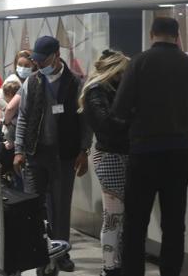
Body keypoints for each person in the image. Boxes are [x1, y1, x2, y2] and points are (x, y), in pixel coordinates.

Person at [112, 17, 188, 276]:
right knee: (174, 225)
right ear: (177, 35)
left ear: (152, 34)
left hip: (144, 153)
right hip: (179, 153)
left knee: (135, 223)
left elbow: (119, 109)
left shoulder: (139, 62)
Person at [13, 36, 91, 272]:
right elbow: (23, 117)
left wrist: (84, 150)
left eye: (42, 60)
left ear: (56, 56)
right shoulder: (33, 82)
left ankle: (62, 252)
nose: (37, 65)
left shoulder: (75, 83)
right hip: (35, 154)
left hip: (64, 155)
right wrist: (18, 150)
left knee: (60, 206)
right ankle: (38, 251)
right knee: (33, 205)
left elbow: (84, 121)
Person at [78, 50, 130, 276]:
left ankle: (114, 264)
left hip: (115, 154)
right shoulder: (97, 91)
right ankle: (110, 267)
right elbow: (106, 125)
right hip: (110, 156)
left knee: (117, 216)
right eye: (124, 72)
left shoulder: (105, 91)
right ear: (114, 71)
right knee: (113, 216)